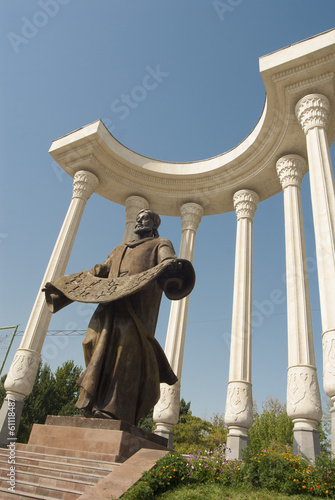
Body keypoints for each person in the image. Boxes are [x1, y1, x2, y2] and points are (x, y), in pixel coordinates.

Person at [44, 209, 195, 426]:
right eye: (138, 217)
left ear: (153, 224)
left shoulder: (161, 243)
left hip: (136, 310)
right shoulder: (119, 249)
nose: (139, 220)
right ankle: (92, 401)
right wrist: (68, 285)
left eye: (144, 218)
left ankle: (112, 410)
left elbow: (168, 264)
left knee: (125, 355)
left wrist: (173, 265)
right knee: (92, 343)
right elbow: (101, 269)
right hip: (110, 305)